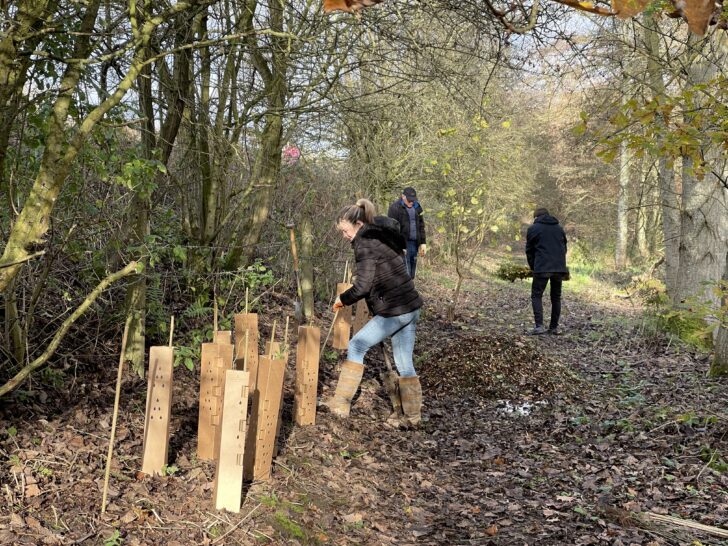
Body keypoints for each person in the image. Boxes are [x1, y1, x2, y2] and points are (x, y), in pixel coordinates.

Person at [323, 199, 424, 425]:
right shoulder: (382, 233)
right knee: (404, 362)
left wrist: (342, 299)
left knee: (357, 345)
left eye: (345, 231)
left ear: (358, 224)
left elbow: (363, 286)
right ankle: (412, 416)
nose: (345, 236)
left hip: (395, 310)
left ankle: (340, 404)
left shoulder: (365, 243)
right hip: (409, 306)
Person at [525, 208, 568, 335]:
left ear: (536, 217)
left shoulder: (534, 229)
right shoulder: (559, 228)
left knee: (536, 295)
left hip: (542, 267)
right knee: (556, 297)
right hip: (559, 268)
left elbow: (529, 250)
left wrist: (534, 266)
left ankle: (539, 326)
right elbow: (564, 248)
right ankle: (553, 327)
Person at [387, 187, 426, 279]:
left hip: (415, 244)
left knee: (412, 273)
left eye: (413, 200)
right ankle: (406, 292)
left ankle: (408, 289)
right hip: (403, 245)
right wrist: (399, 245)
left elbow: (421, 226)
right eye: (409, 200)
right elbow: (392, 229)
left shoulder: (417, 207)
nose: (411, 202)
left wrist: (423, 242)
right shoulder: (394, 208)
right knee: (405, 274)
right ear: (403, 196)